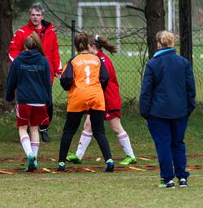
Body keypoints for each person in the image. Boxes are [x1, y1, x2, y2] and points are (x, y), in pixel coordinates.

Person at [66, 34, 137, 165]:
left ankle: (130, 155)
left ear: (92, 47)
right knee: (88, 125)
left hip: (108, 99)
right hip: (98, 99)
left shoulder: (101, 60)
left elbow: (103, 80)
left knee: (116, 127)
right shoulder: (96, 59)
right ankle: (78, 155)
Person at [140, 30, 195, 188]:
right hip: (180, 111)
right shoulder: (183, 63)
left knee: (163, 144)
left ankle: (168, 178)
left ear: (158, 44)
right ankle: (182, 177)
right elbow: (190, 89)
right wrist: (188, 108)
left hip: (158, 113)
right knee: (178, 143)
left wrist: (145, 112)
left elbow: (146, 92)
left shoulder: (152, 64)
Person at [57, 32, 115, 172]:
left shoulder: (73, 61)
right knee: (99, 130)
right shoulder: (97, 60)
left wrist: (69, 87)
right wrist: (98, 89)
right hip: (96, 96)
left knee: (69, 130)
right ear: (89, 45)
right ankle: (109, 160)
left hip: (78, 96)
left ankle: (61, 163)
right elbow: (105, 77)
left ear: (76, 46)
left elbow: (66, 80)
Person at [8, 2, 62, 142]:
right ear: (29, 15)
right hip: (27, 74)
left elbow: (55, 52)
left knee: (46, 103)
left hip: (45, 73)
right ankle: (26, 131)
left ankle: (43, 129)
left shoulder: (50, 32)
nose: (35, 17)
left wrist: (58, 69)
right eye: (33, 14)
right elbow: (12, 52)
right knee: (26, 102)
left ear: (42, 16)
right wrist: (19, 66)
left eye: (38, 15)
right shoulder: (22, 32)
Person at [6, 32, 52, 172]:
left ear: (24, 46)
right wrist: (48, 100)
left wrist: (9, 96)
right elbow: (47, 83)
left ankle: (30, 155)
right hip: (40, 101)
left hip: (25, 100)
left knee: (22, 128)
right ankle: (34, 160)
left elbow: (11, 81)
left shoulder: (18, 60)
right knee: (34, 128)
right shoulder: (43, 60)